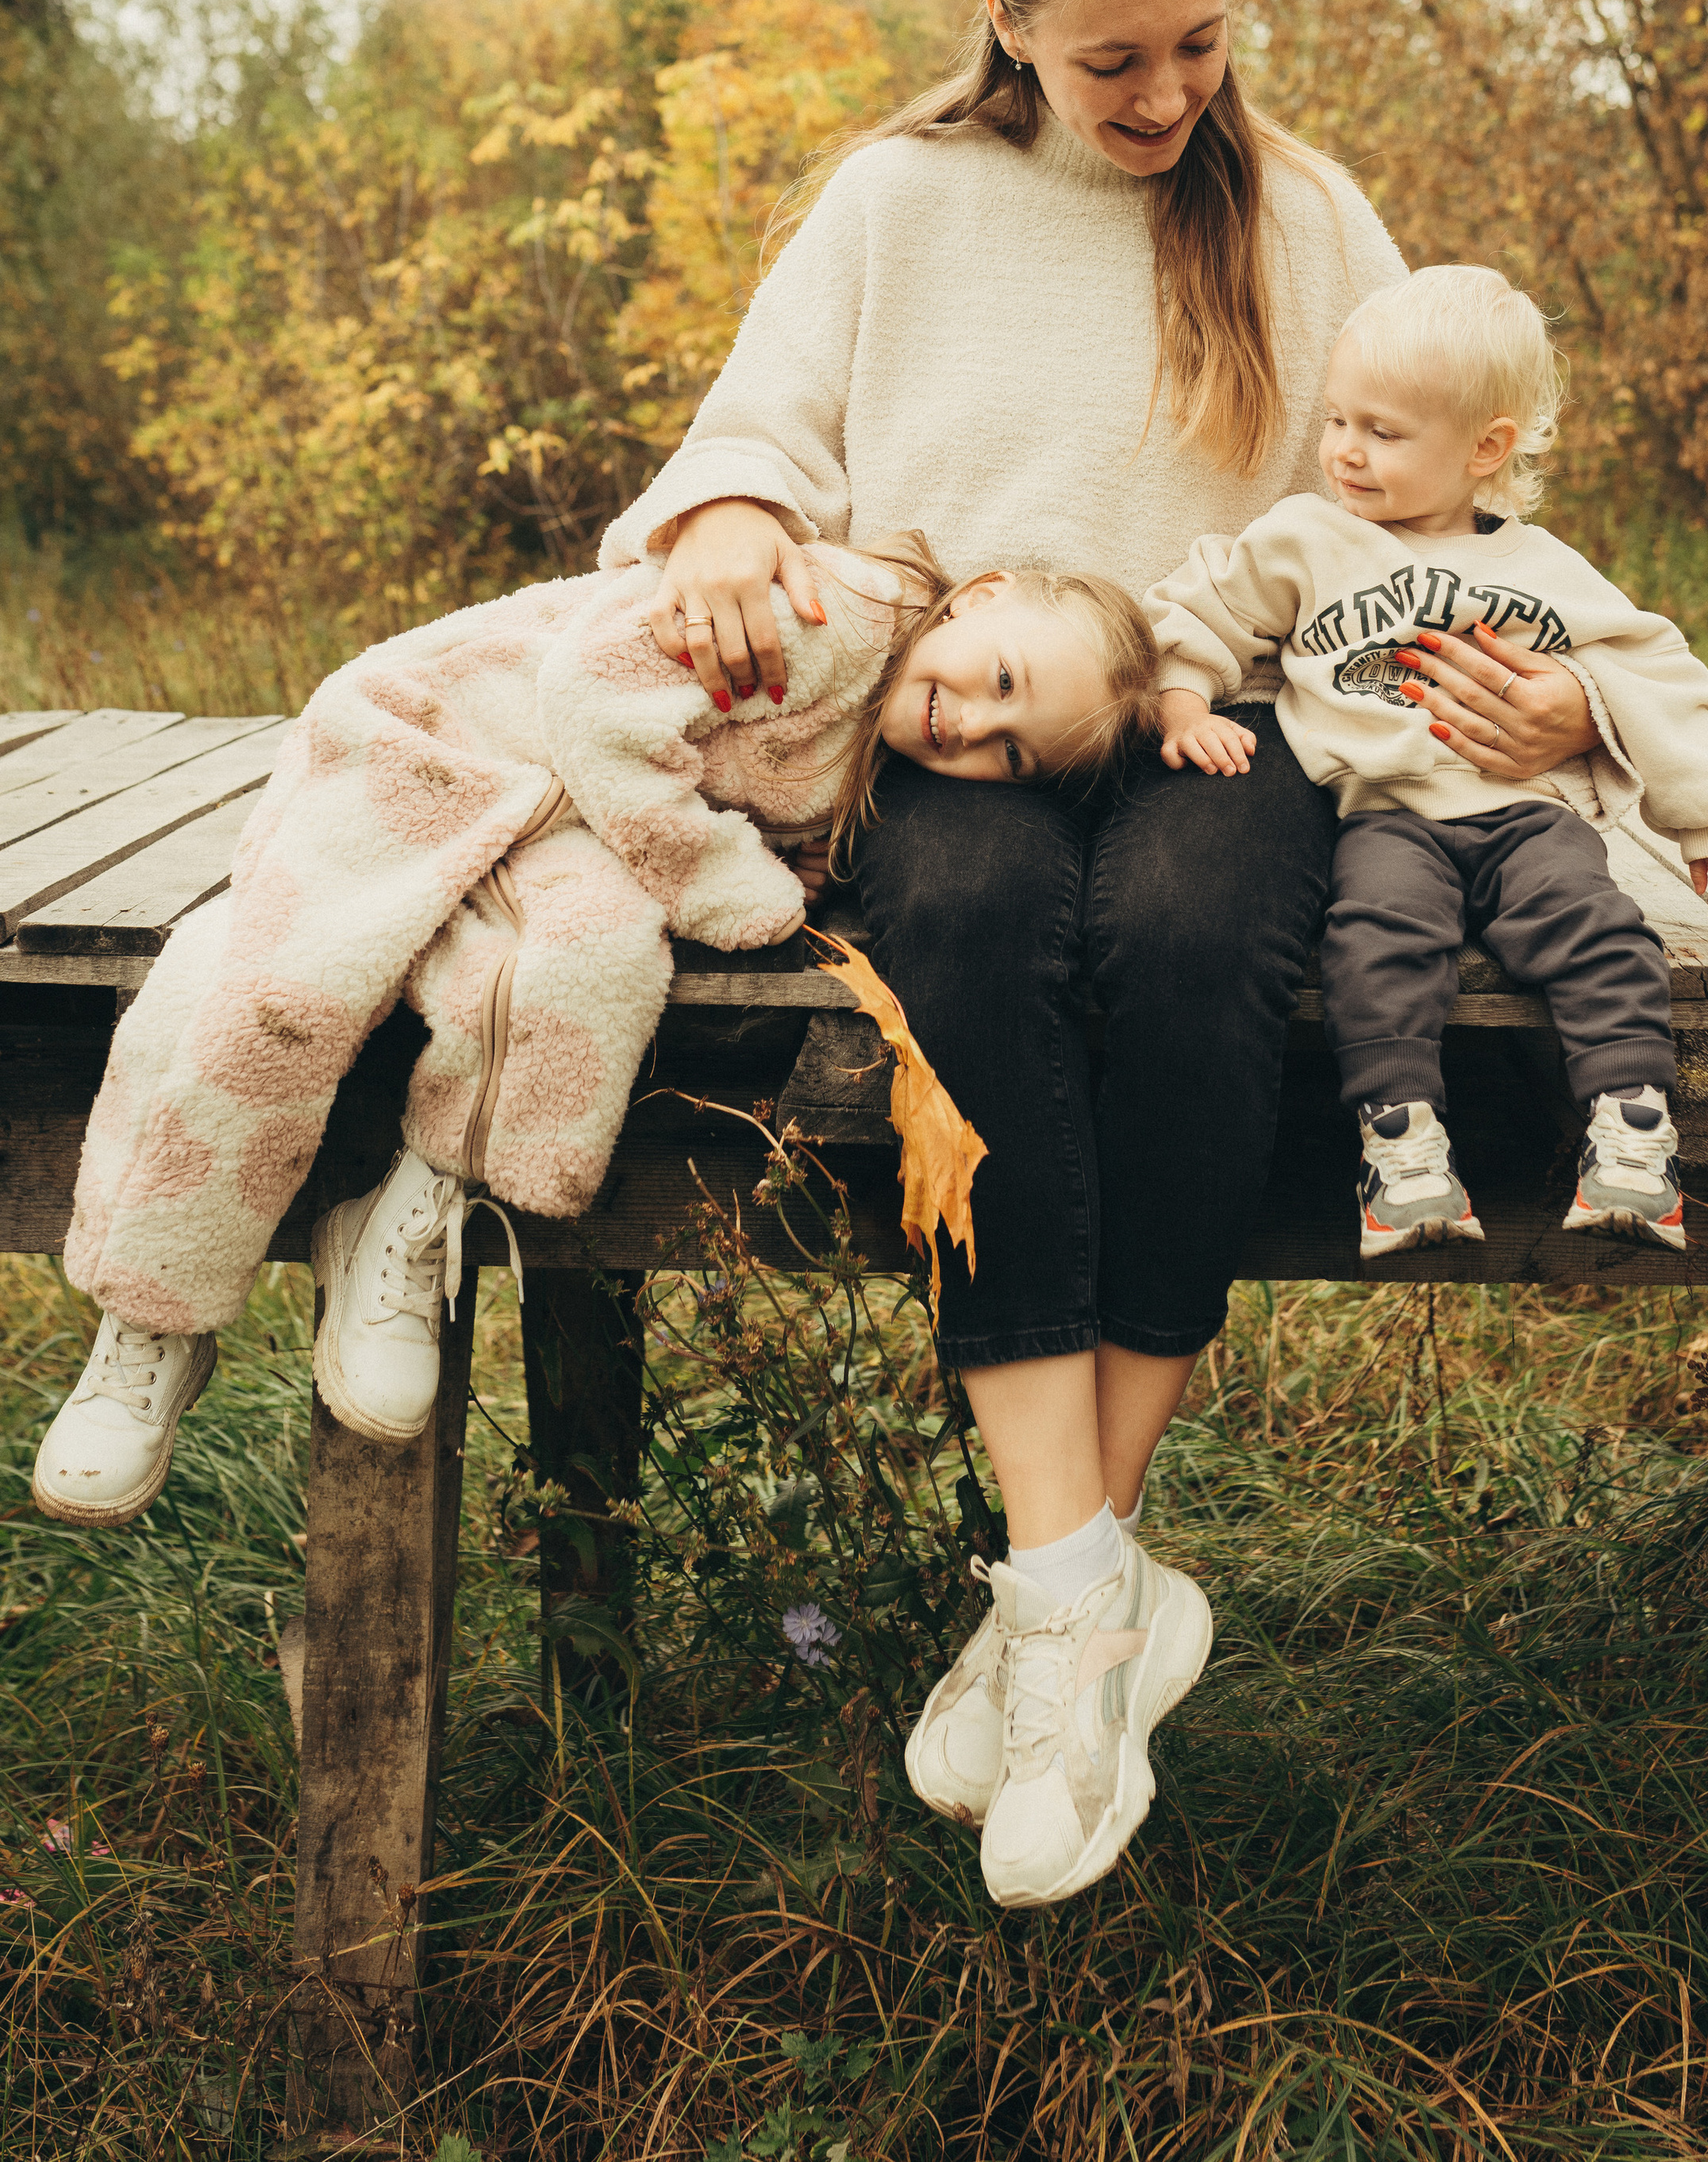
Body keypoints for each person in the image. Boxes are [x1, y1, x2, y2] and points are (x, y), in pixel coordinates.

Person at [614, 0, 1606, 1909]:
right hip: (961, 684)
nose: (1165, 98)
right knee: (969, 929)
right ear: (1012, 30)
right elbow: (750, 441)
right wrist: (718, 540)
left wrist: (1543, 684)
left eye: (1199, 47)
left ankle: (1061, 1595)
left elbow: (1442, 475)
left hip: (1217, 699)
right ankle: (1089, 1590)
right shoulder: (901, 198)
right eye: (1112, 63)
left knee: (1182, 936)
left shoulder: (1307, 214)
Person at [34, 543, 1154, 1530]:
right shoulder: (844, 614)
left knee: (595, 969)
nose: (977, 724)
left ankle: (417, 1203)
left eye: (1012, 754)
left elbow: (737, 776)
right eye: (1001, 681)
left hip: (561, 821)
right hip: (439, 739)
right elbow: (596, 696)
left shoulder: (891, 728)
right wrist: (723, 878)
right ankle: (154, 1309)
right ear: (982, 595)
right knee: (292, 978)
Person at [1147, 264, 1708, 1259]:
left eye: (1383, 433)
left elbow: (1653, 669)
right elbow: (1199, 605)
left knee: (1597, 927)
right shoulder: (1308, 538)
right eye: (1338, 421)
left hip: (1529, 817)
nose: (1345, 453)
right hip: (1385, 818)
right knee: (1376, 941)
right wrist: (1179, 696)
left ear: (1486, 448)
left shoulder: (1541, 568)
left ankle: (1633, 1132)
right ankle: (1403, 1154)